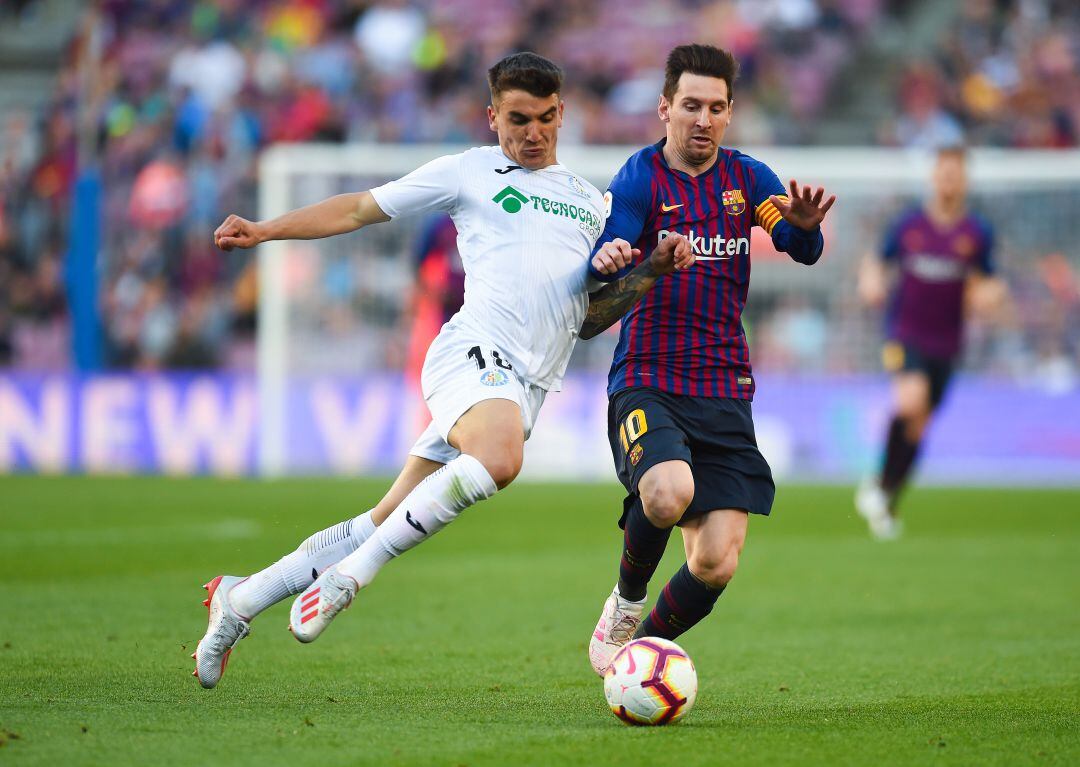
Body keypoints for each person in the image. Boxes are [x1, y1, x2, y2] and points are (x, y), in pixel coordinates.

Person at [193, 52, 694, 688]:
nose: (532, 133)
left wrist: (643, 270)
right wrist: (265, 230)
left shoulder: (589, 206)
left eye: (545, 119)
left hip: (526, 384)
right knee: (500, 460)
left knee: (384, 516)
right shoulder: (469, 172)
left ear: (562, 113)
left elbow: (590, 319)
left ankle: (240, 599)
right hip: (472, 353)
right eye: (518, 119)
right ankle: (354, 578)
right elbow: (357, 210)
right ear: (492, 117)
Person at [579, 43, 836, 676]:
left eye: (716, 108)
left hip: (724, 388)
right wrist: (620, 256)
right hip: (648, 379)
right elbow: (610, 249)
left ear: (729, 113)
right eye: (691, 105)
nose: (703, 119)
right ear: (664, 108)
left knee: (717, 559)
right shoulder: (640, 177)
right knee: (668, 493)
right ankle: (626, 603)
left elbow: (798, 245)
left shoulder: (749, 180)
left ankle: (637, 661)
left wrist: (804, 228)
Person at [855, 146, 1004, 539]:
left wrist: (991, 294)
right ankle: (879, 486)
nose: (949, 180)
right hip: (905, 333)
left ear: (965, 180)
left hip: (947, 342)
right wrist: (870, 280)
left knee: (919, 425)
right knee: (911, 401)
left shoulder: (976, 232)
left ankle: (885, 493)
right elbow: (878, 260)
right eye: (944, 173)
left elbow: (989, 279)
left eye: (956, 174)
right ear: (934, 177)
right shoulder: (909, 226)